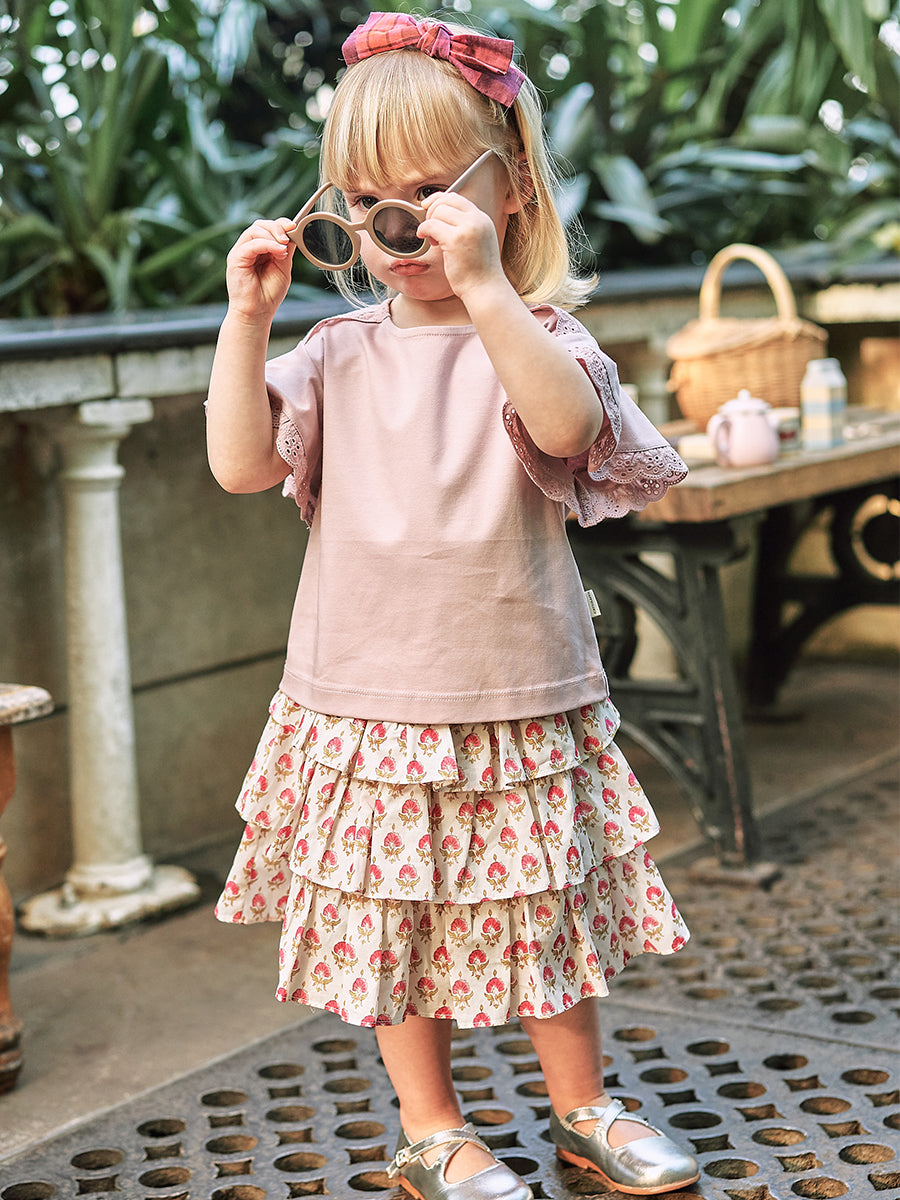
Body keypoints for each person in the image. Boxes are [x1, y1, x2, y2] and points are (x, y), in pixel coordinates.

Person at [207, 11, 699, 1199]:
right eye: (364, 201)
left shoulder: (538, 338)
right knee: (392, 917)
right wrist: (247, 319)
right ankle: (430, 1128)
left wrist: (484, 288)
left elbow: (567, 428)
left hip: (520, 688)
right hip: (367, 700)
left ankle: (581, 1106)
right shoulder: (336, 352)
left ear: (512, 186)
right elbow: (238, 465)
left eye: (429, 194)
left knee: (547, 905)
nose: (395, 227)